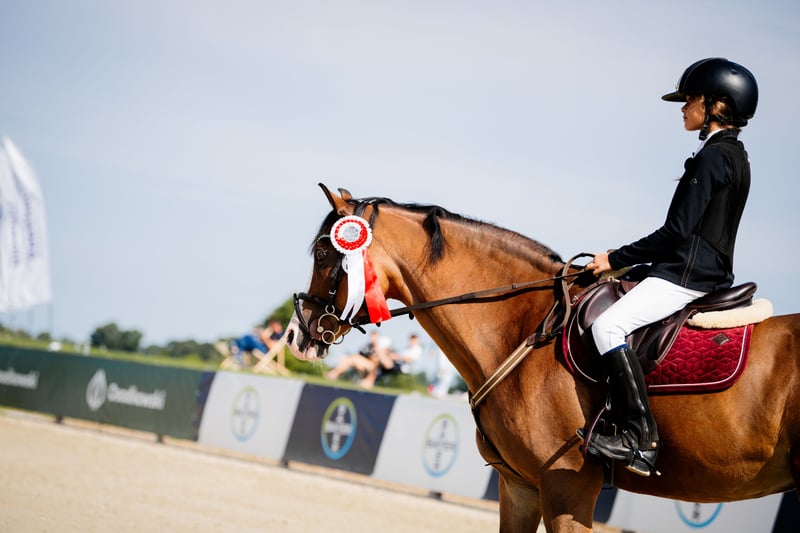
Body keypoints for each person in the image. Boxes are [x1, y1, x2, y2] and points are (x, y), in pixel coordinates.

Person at [583, 58, 758, 477]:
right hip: (700, 270)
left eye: (690, 99)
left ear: (715, 105)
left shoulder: (712, 158)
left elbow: (676, 231)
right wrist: (635, 267)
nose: (683, 108)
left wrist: (615, 260)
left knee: (607, 327)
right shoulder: (734, 155)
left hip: (686, 277)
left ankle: (639, 437)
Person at [324, 331, 393, 387]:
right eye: (372, 337)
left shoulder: (381, 350)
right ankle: (334, 374)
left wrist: (378, 354)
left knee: (353, 358)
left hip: (375, 370)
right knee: (348, 358)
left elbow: (388, 365)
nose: (372, 339)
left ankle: (368, 381)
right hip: (364, 367)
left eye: (374, 337)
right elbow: (360, 354)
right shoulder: (368, 347)